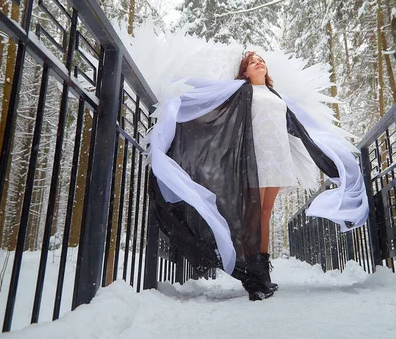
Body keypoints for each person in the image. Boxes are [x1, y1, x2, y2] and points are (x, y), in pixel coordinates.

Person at [149, 51, 368, 301]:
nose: (259, 63)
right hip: (253, 158)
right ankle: (253, 276)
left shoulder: (277, 96)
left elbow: (299, 127)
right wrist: (176, 103)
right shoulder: (240, 91)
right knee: (251, 215)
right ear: (245, 72)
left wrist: (328, 156)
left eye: (261, 60)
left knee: (265, 213)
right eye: (253, 62)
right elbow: (213, 107)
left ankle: (263, 271)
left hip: (277, 156)